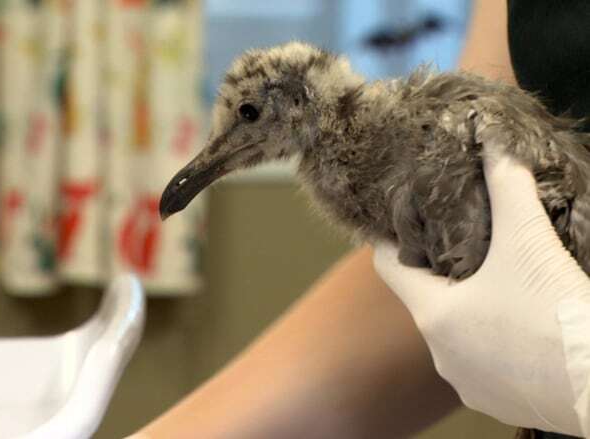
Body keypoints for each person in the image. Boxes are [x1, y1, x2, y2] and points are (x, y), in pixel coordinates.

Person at [128, 1, 590, 437]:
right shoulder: (403, 152)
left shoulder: (403, 152)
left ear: (301, 99)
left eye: (248, 116)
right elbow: (440, 294)